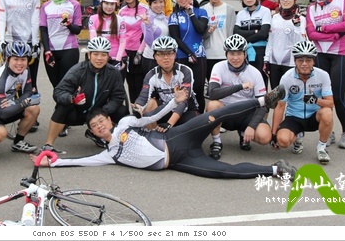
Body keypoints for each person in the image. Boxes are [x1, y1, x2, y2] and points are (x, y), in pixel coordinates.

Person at [32, 84, 295, 181]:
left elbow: (153, 117)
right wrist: (53, 161)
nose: (99, 126)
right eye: (94, 127)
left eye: (101, 121)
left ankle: (262, 101)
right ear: (94, 133)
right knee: (222, 172)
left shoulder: (124, 123)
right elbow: (81, 162)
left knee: (215, 114)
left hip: (175, 138)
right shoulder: (109, 154)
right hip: (178, 161)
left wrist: (175, 102)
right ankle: (275, 170)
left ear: (109, 121)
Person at [41, 37, 128, 154]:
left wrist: (102, 112)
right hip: (77, 113)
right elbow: (59, 92)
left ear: (108, 56)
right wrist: (71, 99)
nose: (99, 58)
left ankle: (102, 136)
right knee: (62, 107)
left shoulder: (114, 73)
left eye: (103, 55)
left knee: (122, 111)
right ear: (89, 55)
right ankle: (48, 144)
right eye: (95, 54)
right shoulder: (78, 70)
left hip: (99, 112)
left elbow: (118, 97)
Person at [305, 0, 345, 149]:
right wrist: (334, 33)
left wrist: (323, 29)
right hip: (321, 55)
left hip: (340, 54)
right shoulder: (312, 8)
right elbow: (310, 33)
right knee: (323, 96)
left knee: (339, 97)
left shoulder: (342, 1)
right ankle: (329, 132)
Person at [206, 34, 269, 159]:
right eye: (232, 53)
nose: (235, 58)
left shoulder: (255, 72)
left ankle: (243, 133)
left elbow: (264, 103)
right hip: (226, 112)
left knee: (264, 137)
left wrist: (251, 127)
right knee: (213, 104)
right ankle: (217, 142)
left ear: (245, 54)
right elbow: (212, 93)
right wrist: (240, 86)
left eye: (239, 53)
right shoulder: (219, 67)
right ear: (226, 54)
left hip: (245, 114)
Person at [271, 40, 334, 164]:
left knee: (327, 113)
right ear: (295, 61)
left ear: (313, 61)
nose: (304, 64)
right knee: (282, 140)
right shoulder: (286, 78)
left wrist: (316, 100)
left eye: (308, 60)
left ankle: (322, 148)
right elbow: (280, 106)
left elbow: (330, 103)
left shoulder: (323, 75)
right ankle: (298, 136)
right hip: (294, 117)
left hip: (314, 117)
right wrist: (273, 134)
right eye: (300, 60)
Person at [0, 41, 41, 154]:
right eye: (16, 59)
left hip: (7, 106)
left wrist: (16, 102)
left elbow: (28, 91)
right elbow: (4, 113)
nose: (20, 63)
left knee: (34, 109)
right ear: (7, 59)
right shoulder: (0, 79)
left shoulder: (25, 71)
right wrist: (23, 103)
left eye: (23, 59)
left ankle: (18, 142)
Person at [131, 36, 200, 130]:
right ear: (155, 56)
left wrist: (169, 124)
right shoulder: (151, 75)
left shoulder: (185, 71)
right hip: (166, 110)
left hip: (186, 111)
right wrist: (138, 107)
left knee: (194, 125)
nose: (166, 58)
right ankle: (153, 139)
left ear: (175, 54)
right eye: (161, 54)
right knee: (150, 103)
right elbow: (144, 96)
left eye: (169, 53)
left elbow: (184, 101)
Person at [0, 0, 42, 91]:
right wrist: (1, 41)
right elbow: (1, 19)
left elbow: (35, 19)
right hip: (11, 41)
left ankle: (30, 107)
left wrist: (35, 42)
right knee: (9, 79)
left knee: (31, 80)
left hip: (29, 41)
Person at [168, 0, 209, 112]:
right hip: (181, 56)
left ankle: (199, 119)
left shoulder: (201, 12)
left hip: (199, 56)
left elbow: (201, 29)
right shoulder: (173, 15)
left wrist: (191, 13)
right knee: (183, 91)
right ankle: (185, 118)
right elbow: (175, 37)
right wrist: (189, 53)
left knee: (198, 89)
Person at [39, 0, 83, 90]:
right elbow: (43, 30)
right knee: (56, 86)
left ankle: (67, 109)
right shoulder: (45, 6)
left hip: (69, 50)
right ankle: (62, 108)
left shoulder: (74, 5)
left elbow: (78, 30)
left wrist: (68, 24)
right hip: (51, 51)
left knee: (67, 86)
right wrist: (47, 50)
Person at [264, 0, 307, 90]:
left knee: (292, 96)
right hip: (274, 63)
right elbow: (270, 41)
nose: (285, 0)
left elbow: (301, 43)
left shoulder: (301, 19)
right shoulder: (274, 18)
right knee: (277, 97)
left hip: (291, 63)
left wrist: (297, 26)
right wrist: (266, 59)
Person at [234, 0, 272, 87]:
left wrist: (245, 37)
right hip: (244, 52)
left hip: (260, 51)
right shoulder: (241, 14)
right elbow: (236, 33)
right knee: (245, 81)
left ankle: (262, 103)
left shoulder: (265, 11)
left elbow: (263, 34)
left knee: (260, 81)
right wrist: (255, 31)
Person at [117, 0, 149, 103]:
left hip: (140, 51)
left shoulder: (145, 8)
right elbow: (121, 33)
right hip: (126, 53)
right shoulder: (121, 11)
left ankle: (142, 111)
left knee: (141, 84)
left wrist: (140, 52)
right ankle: (134, 113)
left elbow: (148, 32)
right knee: (131, 85)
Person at [202, 0, 236, 81]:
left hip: (225, 54)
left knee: (226, 86)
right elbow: (200, 35)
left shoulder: (230, 9)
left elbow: (231, 33)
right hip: (208, 55)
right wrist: (208, 31)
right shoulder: (202, 10)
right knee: (212, 87)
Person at [139, 0, 170, 73]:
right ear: (149, 4)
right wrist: (148, 25)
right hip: (151, 59)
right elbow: (149, 42)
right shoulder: (147, 19)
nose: (159, 5)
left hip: (165, 58)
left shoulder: (166, 19)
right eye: (155, 2)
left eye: (161, 2)